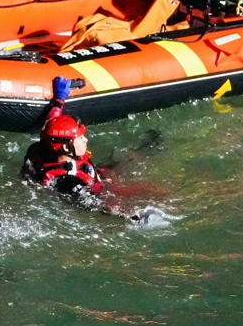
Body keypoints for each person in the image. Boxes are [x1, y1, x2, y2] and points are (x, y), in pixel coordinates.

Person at [21, 77, 152, 220]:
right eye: (80, 138)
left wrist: (59, 99)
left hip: (94, 173)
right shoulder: (66, 181)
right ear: (66, 147)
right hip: (100, 189)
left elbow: (50, 123)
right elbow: (96, 204)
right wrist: (132, 217)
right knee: (152, 189)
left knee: (128, 157)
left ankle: (145, 148)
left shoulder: (44, 146)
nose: (86, 140)